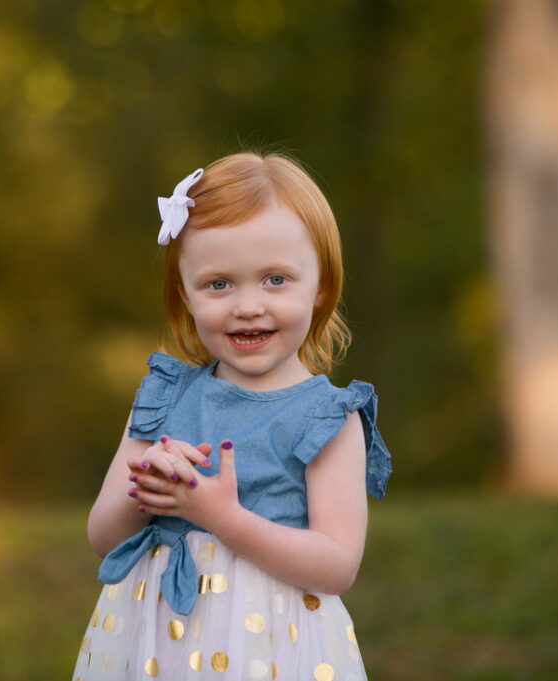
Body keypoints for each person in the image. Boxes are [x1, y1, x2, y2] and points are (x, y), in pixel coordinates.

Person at [72, 152, 391, 680]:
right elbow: (103, 537)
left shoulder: (328, 418)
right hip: (157, 650)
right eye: (219, 284)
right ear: (186, 293)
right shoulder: (163, 398)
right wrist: (146, 482)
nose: (247, 306)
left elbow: (337, 566)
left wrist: (220, 516)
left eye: (275, 280)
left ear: (321, 288)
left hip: (269, 649)